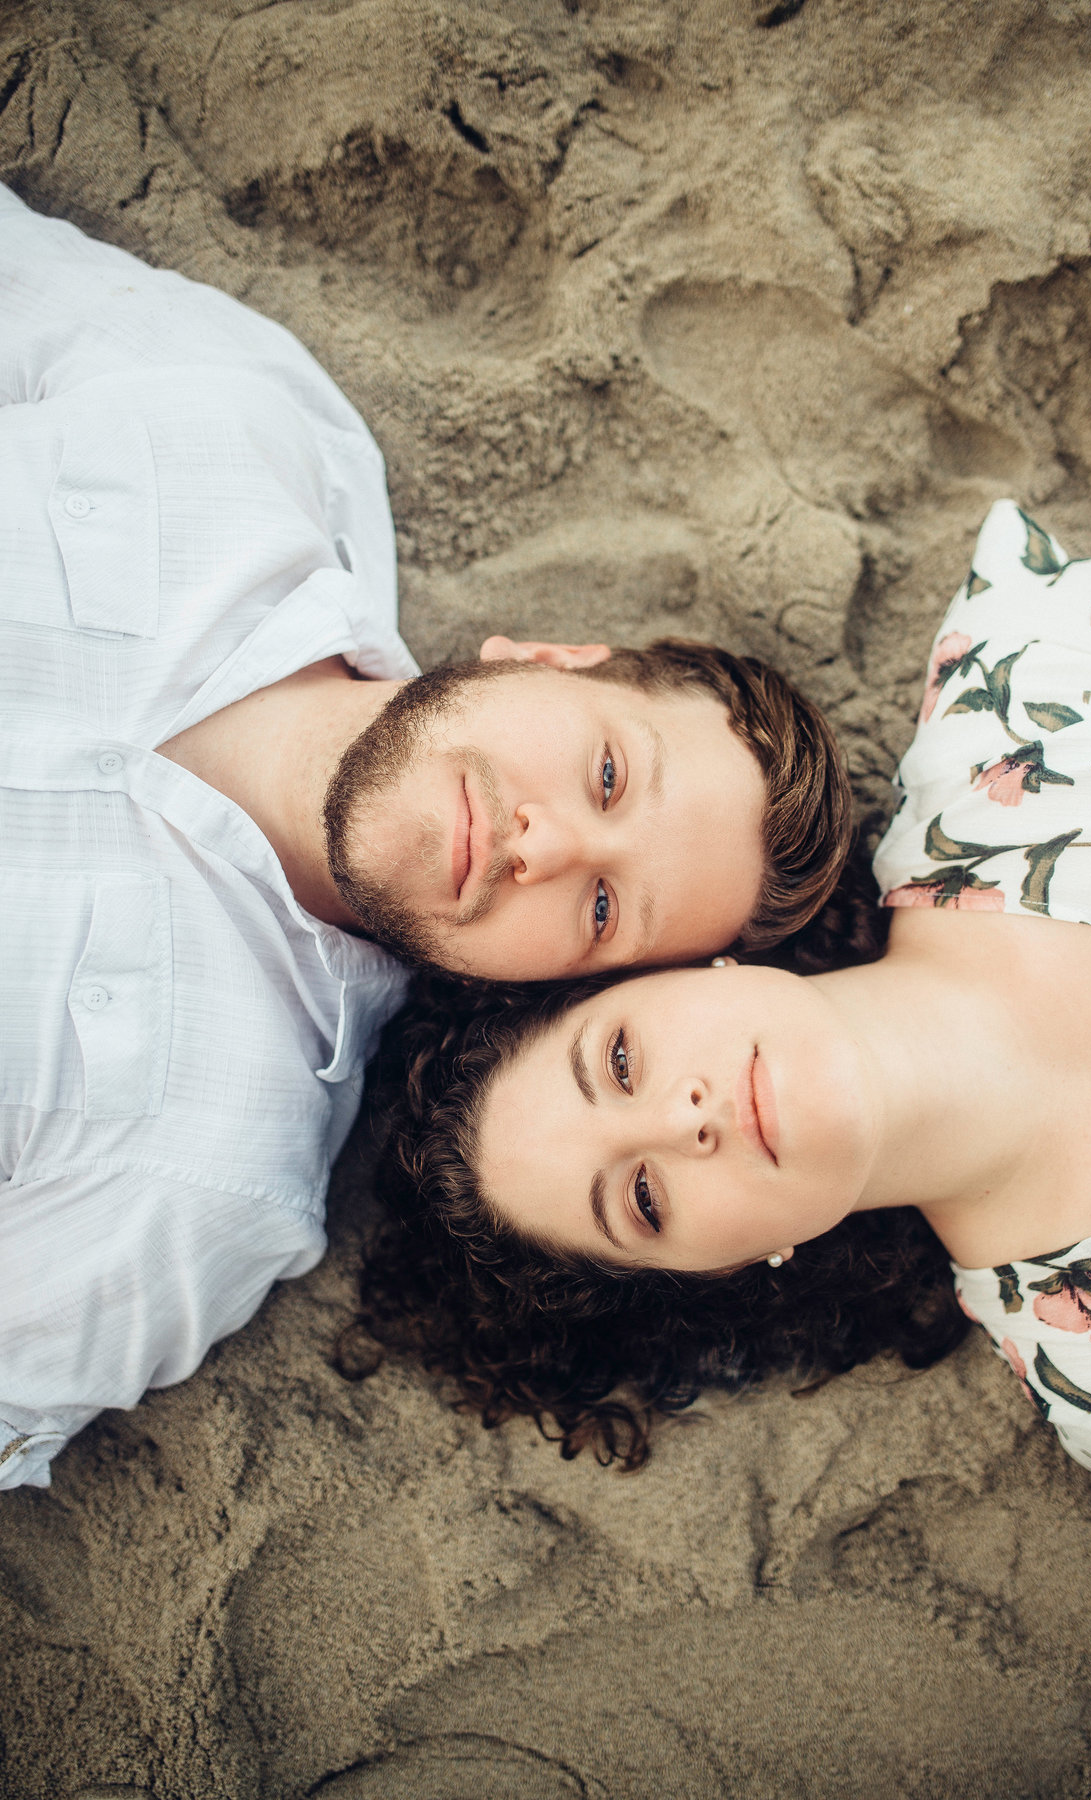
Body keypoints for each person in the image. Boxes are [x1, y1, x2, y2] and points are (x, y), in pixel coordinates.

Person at [0, 190, 849, 1489]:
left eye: (605, 910)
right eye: (609, 772)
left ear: (537, 993)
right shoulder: (235, 429)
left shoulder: (202, 1173)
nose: (546, 841)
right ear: (554, 659)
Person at [367, 500, 1091, 1524]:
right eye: (645, 1201)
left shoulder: (1029, 709)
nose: (685, 1122)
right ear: (719, 1268)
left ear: (682, 966)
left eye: (622, 1061)